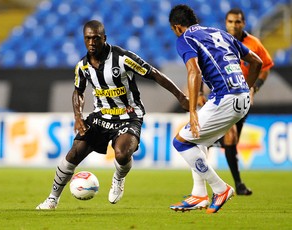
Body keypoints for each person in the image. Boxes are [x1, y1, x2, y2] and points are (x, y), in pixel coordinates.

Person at [36, 20, 189, 210]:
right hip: (100, 117)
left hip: (128, 116)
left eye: (96, 38)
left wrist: (181, 96)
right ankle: (52, 199)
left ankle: (118, 177)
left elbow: (154, 73)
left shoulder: (123, 58)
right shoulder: (82, 66)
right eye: (88, 38)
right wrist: (78, 116)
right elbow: (79, 91)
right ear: (84, 40)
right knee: (73, 154)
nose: (92, 42)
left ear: (104, 38)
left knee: (122, 154)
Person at [168, 5, 262, 213]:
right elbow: (257, 62)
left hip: (225, 98)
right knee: (197, 139)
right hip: (241, 99)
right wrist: (246, 89)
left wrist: (192, 111)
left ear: (176, 27)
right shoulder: (219, 32)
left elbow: (194, 72)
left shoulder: (185, 39)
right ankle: (199, 194)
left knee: (181, 143)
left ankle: (220, 189)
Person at [198, 8, 274, 195]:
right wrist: (200, 91)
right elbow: (201, 66)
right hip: (221, 96)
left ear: (243, 23)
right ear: (226, 23)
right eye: (231, 22)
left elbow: (265, 66)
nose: (234, 25)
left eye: (237, 22)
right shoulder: (218, 40)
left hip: (242, 98)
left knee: (230, 142)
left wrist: (252, 88)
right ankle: (220, 186)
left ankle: (223, 181)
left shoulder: (254, 44)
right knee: (224, 137)